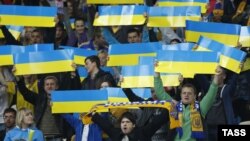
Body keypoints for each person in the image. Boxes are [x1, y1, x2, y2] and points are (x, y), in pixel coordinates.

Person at [154, 66, 222, 141]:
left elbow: (211, 94)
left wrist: (216, 77)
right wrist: (157, 72)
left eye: (189, 93)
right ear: (181, 95)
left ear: (195, 96)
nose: (186, 95)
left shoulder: (200, 107)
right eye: (184, 93)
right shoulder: (174, 105)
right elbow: (160, 92)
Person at [91, 109, 169, 141]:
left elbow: (155, 123)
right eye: (122, 122)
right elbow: (106, 126)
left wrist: (169, 111)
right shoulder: (116, 134)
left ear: (134, 125)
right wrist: (94, 115)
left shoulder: (142, 132)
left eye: (127, 122)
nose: (124, 124)